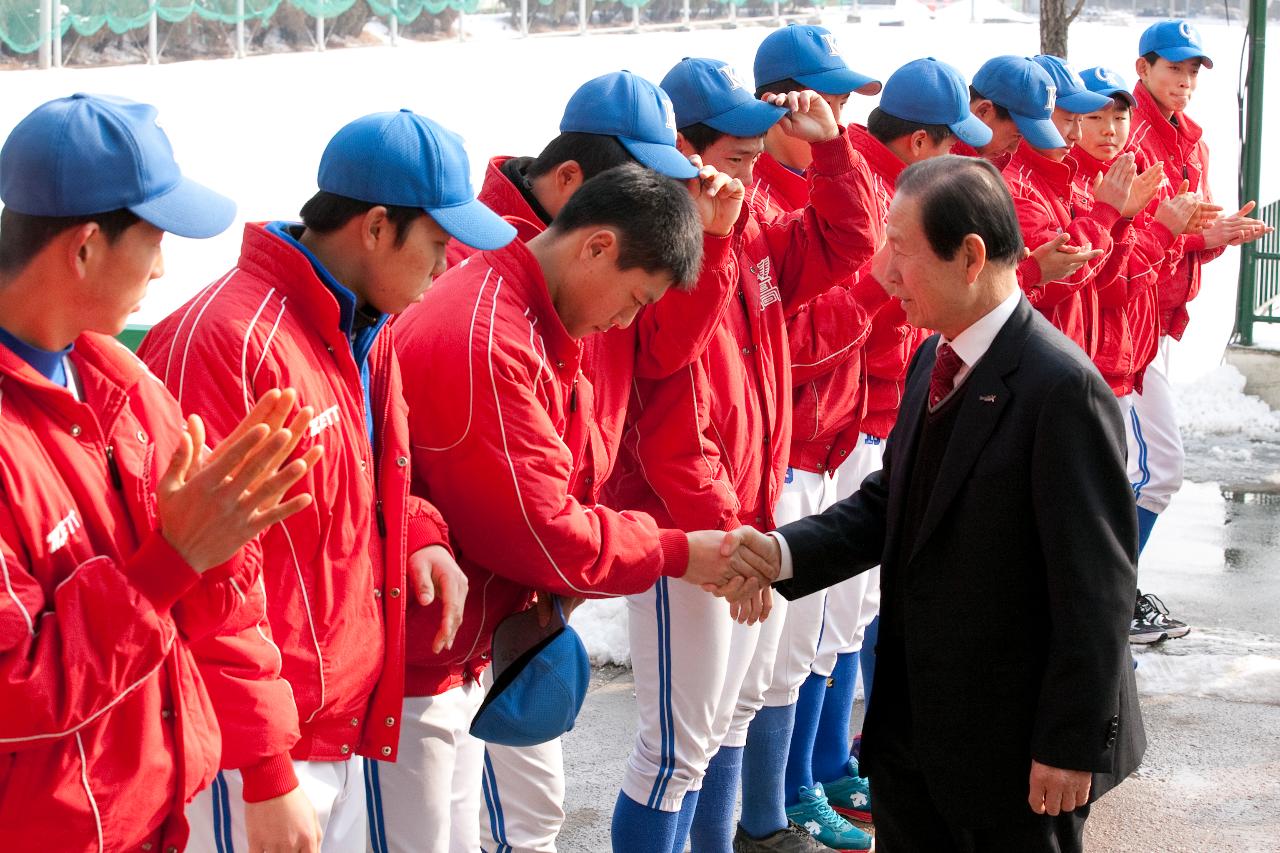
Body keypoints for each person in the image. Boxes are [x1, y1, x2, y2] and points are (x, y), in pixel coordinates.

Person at [720, 155, 1145, 853]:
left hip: (1013, 758)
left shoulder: (1061, 389)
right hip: (915, 742)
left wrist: (1070, 744)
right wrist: (781, 553)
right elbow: (894, 500)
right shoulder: (935, 357)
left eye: (902, 249)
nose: (885, 271)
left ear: (970, 256)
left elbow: (1097, 588)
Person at [138, 109, 492, 852]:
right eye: (435, 245)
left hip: (333, 723)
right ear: (373, 228)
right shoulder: (229, 343)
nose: (445, 266)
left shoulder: (365, 322)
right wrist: (264, 766)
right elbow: (205, 574)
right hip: (254, 747)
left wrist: (420, 533)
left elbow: (365, 476)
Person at [388, 163, 764, 853]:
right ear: (595, 245)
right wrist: (680, 548)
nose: (626, 321)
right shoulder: (489, 331)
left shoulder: (545, 314)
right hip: (421, 647)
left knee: (514, 822)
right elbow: (543, 528)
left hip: (471, 636)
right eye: (633, 299)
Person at [0, 93, 320, 851]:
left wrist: (269, 767)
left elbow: (221, 594)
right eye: (154, 239)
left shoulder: (119, 377)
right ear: (84, 248)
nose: (164, 267)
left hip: (154, 816)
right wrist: (169, 560)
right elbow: (16, 689)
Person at [605, 46, 881, 853]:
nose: (754, 168)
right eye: (736, 153)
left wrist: (829, 147)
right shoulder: (664, 242)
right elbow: (672, 416)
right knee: (673, 751)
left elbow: (850, 239)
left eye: (760, 151)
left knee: (726, 720)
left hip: (744, 513)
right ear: (681, 151)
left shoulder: (747, 220)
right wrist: (731, 542)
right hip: (687, 530)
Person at [734, 55, 992, 853]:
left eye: (842, 101)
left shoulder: (851, 181)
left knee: (833, 629)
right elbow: (799, 346)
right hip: (796, 446)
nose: (834, 117)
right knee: (749, 679)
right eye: (826, 99)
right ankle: (772, 806)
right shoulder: (757, 198)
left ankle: (812, 775)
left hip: (848, 429)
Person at [1126, 20, 1271, 641]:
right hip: (1120, 325)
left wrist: (1215, 238)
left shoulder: (1193, 141)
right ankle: (1110, 591)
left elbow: (1184, 238)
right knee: (1156, 469)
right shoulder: (1129, 133)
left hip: (1156, 322)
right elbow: (1126, 237)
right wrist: (1198, 236)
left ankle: (1110, 591)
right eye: (1173, 69)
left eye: (1192, 72)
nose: (1184, 82)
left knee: (1134, 470)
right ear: (1144, 70)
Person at [1003, 54, 1128, 356]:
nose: (1077, 134)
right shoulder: (1014, 182)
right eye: (1070, 119)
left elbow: (1105, 283)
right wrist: (1107, 214)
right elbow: (1062, 275)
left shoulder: (1061, 175)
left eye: (1080, 120)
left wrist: (1123, 219)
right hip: (1038, 363)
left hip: (1068, 357)